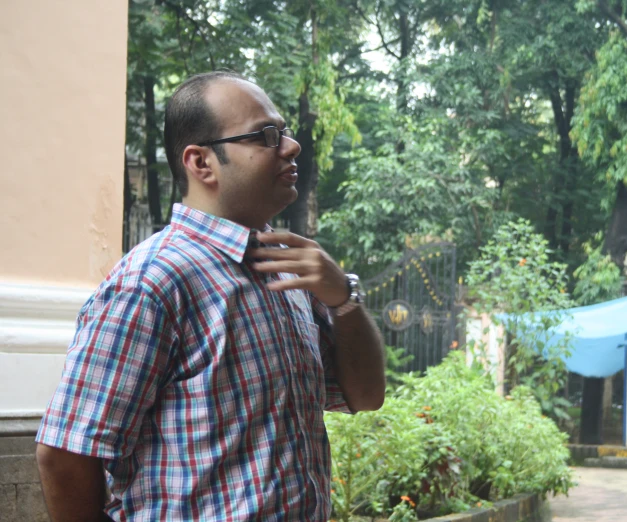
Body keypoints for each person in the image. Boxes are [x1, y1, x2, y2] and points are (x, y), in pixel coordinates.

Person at [34, 71, 386, 521]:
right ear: (202, 163)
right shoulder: (152, 281)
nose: (292, 146)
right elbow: (65, 455)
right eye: (267, 135)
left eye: (286, 132)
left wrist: (344, 299)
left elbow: (366, 396)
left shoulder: (290, 267)